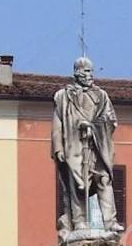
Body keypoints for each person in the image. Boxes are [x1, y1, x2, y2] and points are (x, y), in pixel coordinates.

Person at [52, 57, 123, 236]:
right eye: (86, 71)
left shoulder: (102, 96)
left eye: (91, 71)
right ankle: (79, 222)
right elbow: (57, 123)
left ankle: (110, 222)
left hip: (97, 146)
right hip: (73, 146)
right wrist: (58, 148)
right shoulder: (63, 96)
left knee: (104, 180)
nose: (89, 75)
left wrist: (94, 127)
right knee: (76, 184)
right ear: (76, 72)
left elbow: (112, 120)